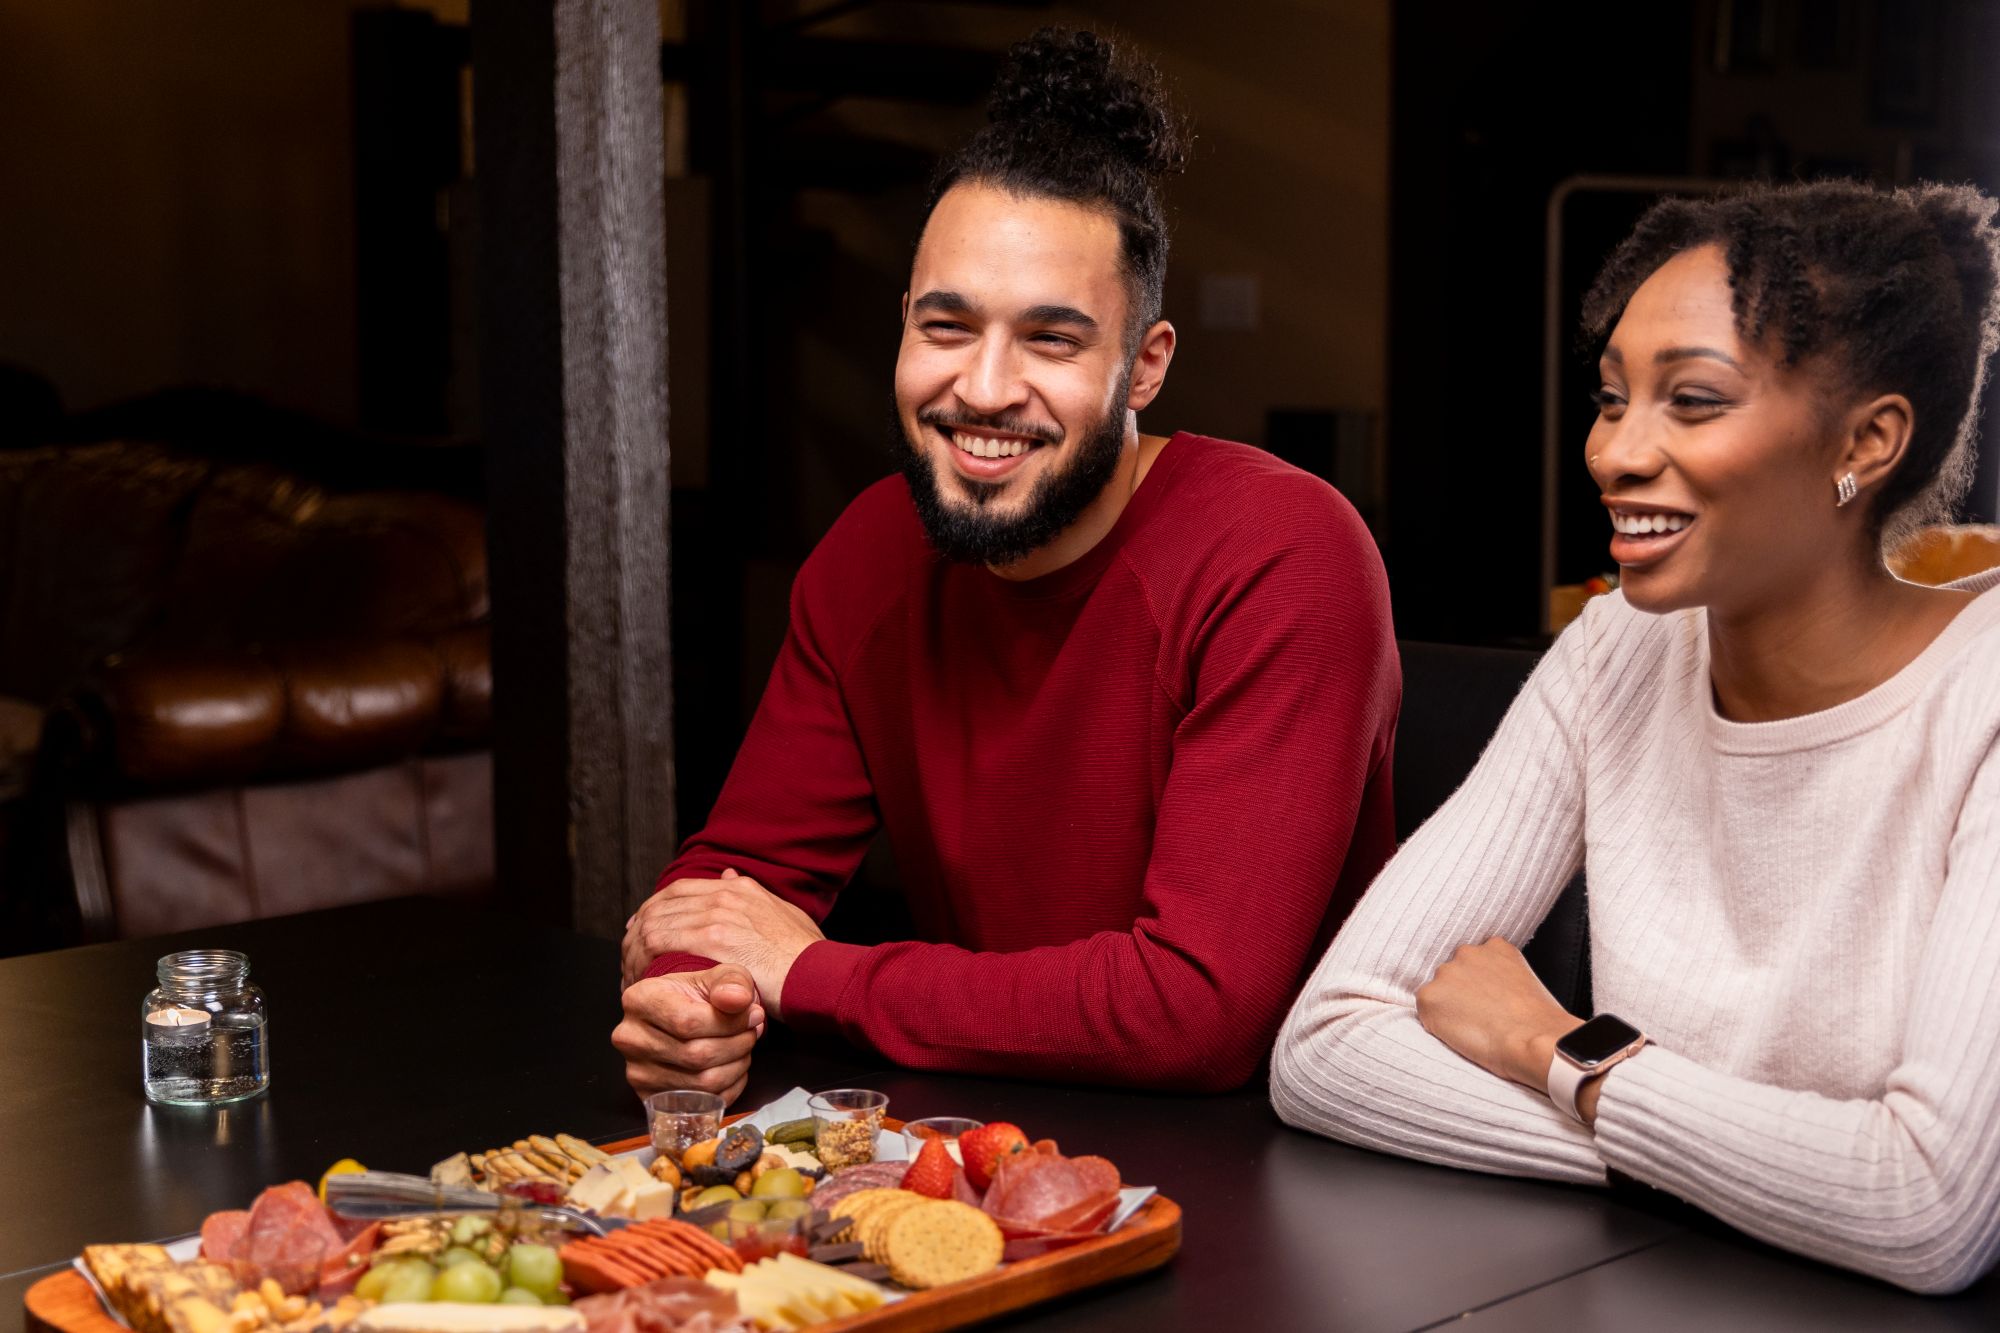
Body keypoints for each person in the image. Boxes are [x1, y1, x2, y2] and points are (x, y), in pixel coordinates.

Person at [612, 27, 1399, 1102]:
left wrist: (805, 973)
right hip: (987, 1126)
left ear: (1142, 368)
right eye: (947, 325)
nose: (982, 388)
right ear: (902, 328)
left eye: (1050, 340)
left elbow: (1196, 1013)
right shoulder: (869, 551)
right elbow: (729, 886)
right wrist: (682, 992)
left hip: (1273, 1166)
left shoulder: (1283, 554)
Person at [1271, 179, 2000, 1294]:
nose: (1614, 452)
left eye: (1691, 401)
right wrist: (1726, 1166)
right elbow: (1322, 1048)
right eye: (1611, 398)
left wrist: (1554, 1050)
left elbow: (1922, 1205)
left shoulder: (1982, 692)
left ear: (1866, 441)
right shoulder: (1616, 649)